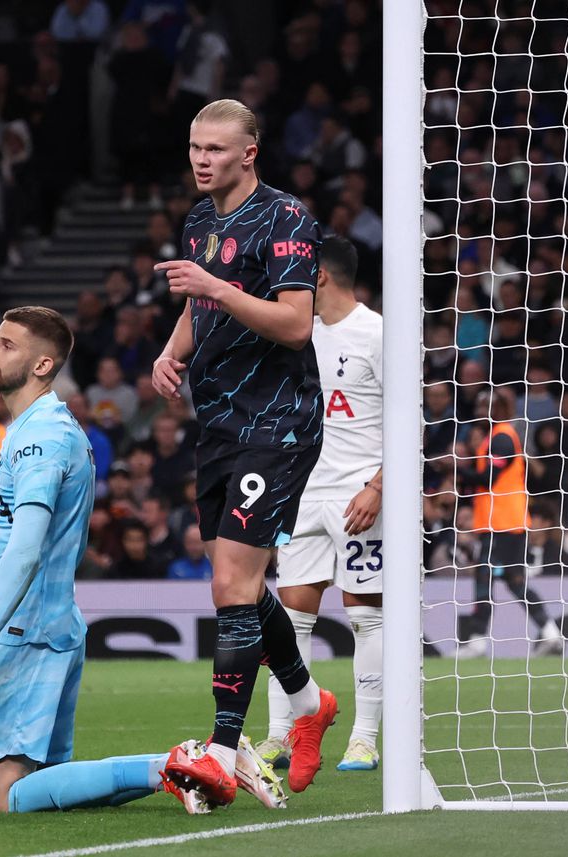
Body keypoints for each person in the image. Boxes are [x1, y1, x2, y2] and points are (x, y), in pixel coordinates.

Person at [0, 306, 286, 814]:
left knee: (6, 799)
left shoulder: (38, 439)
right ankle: (188, 766)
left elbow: (26, 548)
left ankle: (184, 761)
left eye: (7, 345)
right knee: (52, 787)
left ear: (43, 365)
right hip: (54, 624)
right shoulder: (53, 427)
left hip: (24, 631)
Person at [149, 98, 337, 805]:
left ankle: (226, 751)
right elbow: (200, 303)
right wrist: (172, 351)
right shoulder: (202, 220)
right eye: (195, 146)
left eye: (216, 149)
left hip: (279, 420)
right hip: (220, 423)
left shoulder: (286, 218)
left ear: (249, 152)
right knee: (241, 584)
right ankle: (310, 700)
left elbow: (293, 324)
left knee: (230, 582)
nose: (202, 159)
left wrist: (214, 288)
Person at [256, 237, 385, 773]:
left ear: (321, 277)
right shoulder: (293, 336)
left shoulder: (379, 334)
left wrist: (379, 487)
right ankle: (280, 736)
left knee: (367, 619)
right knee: (291, 621)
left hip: (361, 497)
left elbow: (414, 422)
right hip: (303, 494)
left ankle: (365, 738)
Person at [457, 386, 562, 656]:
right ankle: (550, 631)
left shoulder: (503, 438)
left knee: (485, 574)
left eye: (486, 406)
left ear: (501, 409)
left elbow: (489, 479)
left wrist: (456, 468)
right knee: (513, 580)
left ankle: (479, 639)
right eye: (479, 406)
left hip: (505, 522)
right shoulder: (494, 436)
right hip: (499, 521)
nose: (480, 412)